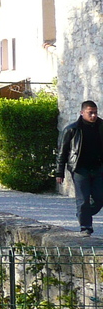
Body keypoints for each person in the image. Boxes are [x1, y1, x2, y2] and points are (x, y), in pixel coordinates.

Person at [56, 100, 103, 237]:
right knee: (83, 199)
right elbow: (62, 152)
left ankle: (83, 213)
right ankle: (85, 227)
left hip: (98, 168)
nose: (93, 116)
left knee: (100, 198)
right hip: (79, 169)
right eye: (90, 113)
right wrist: (60, 172)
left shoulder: (101, 127)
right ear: (82, 113)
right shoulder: (72, 129)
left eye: (95, 112)